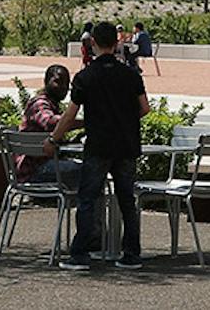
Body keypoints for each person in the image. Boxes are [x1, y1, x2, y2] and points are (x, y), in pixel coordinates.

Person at [44, 19, 149, 270]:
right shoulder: (131, 74)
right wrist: (123, 118)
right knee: (126, 199)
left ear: (93, 43)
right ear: (117, 42)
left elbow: (69, 114)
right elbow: (144, 108)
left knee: (88, 198)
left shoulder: (85, 77)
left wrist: (53, 139)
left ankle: (80, 253)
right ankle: (131, 253)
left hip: (98, 145)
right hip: (126, 144)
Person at [14, 65, 80, 191]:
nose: (63, 87)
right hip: (34, 170)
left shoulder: (52, 105)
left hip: (43, 165)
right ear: (45, 82)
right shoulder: (39, 104)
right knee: (89, 171)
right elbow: (50, 122)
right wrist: (80, 122)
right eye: (57, 82)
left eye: (66, 84)